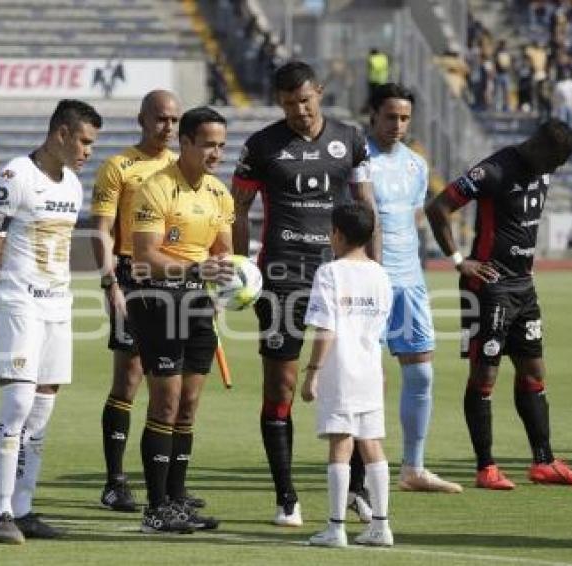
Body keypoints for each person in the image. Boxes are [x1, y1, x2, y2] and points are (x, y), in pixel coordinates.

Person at [231, 60, 378, 527]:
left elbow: (366, 206)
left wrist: (374, 268)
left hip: (342, 275)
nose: (299, 110)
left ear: (319, 91)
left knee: (352, 380)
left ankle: (356, 491)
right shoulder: (261, 145)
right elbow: (238, 209)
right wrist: (240, 269)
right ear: (279, 102)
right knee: (281, 386)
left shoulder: (351, 139)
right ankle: (286, 497)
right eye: (290, 103)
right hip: (282, 274)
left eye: (305, 100)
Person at [425, 119, 572, 490]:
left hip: (523, 287)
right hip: (488, 286)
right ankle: (486, 467)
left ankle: (543, 461)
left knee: (534, 370)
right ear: (541, 147)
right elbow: (439, 206)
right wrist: (460, 260)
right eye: (555, 161)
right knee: (485, 374)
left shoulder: (541, 169)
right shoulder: (493, 170)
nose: (556, 170)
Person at [0, 99, 103, 543]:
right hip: (17, 303)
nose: (88, 151)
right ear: (61, 133)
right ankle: (1, 512)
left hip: (57, 305)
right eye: (84, 142)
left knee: (44, 407)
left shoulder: (72, 185)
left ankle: (25, 507)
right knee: (17, 405)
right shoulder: (14, 176)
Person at [128, 106, 233, 534]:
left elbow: (224, 250)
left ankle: (176, 501)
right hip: (159, 301)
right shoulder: (155, 188)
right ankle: (155, 509)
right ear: (185, 142)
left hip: (199, 304)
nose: (216, 153)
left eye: (221, 145)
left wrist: (231, 276)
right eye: (208, 144)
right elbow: (144, 256)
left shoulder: (219, 194)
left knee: (188, 407)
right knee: (166, 404)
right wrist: (194, 270)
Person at [360, 83, 463, 494]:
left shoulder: (417, 165)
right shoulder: (359, 158)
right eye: (390, 117)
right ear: (373, 115)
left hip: (411, 282)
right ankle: (367, 469)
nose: (398, 125)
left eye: (404, 118)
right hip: (369, 281)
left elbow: (412, 219)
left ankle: (413, 468)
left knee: (421, 374)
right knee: (368, 378)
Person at [90, 90, 180, 512]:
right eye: (161, 118)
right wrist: (110, 281)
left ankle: (166, 488)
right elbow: (102, 229)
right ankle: (114, 482)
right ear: (142, 119)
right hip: (130, 273)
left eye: (174, 120)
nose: (168, 127)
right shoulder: (118, 167)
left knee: (171, 383)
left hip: (171, 279)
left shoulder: (180, 167)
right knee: (129, 378)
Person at [301, 202, 394, 548]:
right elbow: (379, 329)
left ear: (336, 234)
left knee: (341, 441)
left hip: (341, 369)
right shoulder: (381, 274)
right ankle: (381, 525)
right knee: (372, 442)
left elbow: (326, 328)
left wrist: (312, 372)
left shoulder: (330, 273)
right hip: (370, 367)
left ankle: (335, 526)